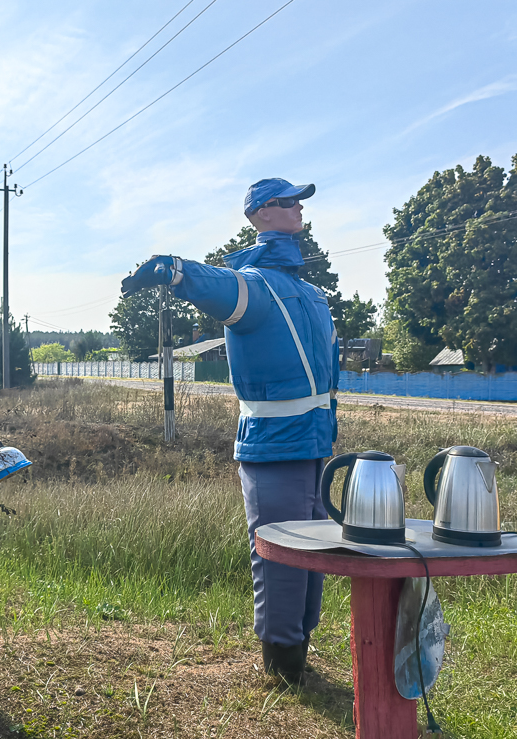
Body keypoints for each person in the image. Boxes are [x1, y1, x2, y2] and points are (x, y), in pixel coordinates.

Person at [120, 178, 339, 685]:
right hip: (274, 445)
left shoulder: (310, 293)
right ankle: (283, 663)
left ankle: (301, 647)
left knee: (316, 550)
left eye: (299, 201)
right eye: (287, 202)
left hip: (316, 446)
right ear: (261, 213)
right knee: (281, 552)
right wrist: (174, 270)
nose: (297, 209)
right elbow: (217, 285)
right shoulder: (257, 286)